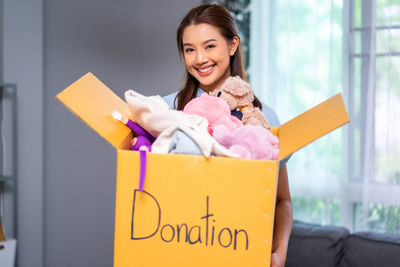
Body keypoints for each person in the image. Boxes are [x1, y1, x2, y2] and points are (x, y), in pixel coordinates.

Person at [163, 4, 293, 266]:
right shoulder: (166, 110)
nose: (199, 59)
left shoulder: (263, 119)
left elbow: (281, 200)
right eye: (189, 49)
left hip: (239, 251)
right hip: (177, 250)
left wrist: (279, 254)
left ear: (232, 46)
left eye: (209, 46)